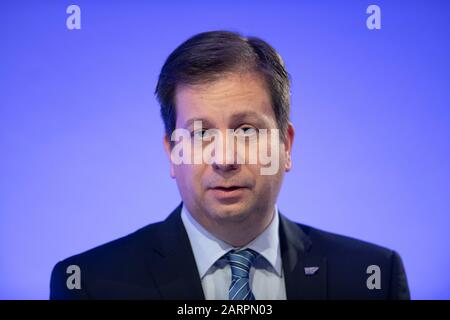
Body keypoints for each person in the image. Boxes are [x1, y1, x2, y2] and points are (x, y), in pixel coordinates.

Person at [50, 30, 410, 300]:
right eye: (201, 133)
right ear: (172, 154)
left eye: (246, 130)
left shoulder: (371, 277)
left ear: (285, 146)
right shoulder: (90, 284)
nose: (225, 159)